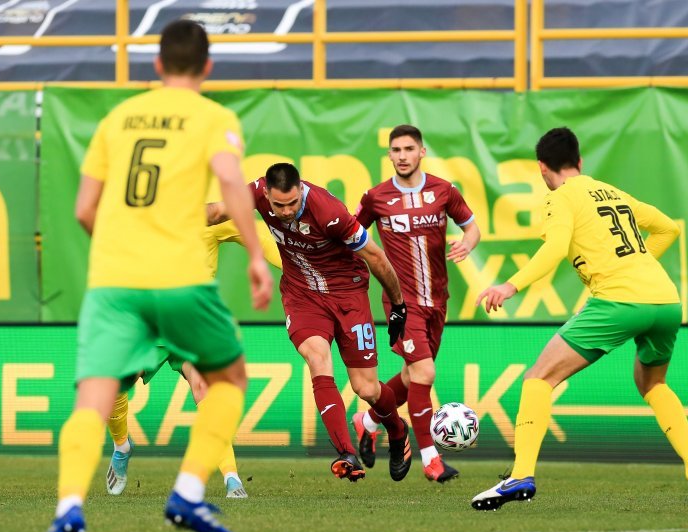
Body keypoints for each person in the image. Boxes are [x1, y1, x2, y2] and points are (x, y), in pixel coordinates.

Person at [32, 20, 273, 532]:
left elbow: (83, 210)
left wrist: (122, 253)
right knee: (229, 379)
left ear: (157, 64)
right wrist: (257, 257)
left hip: (114, 283)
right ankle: (189, 493)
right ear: (207, 66)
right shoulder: (214, 117)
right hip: (181, 278)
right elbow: (233, 185)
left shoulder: (117, 119)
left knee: (94, 397)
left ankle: (68, 507)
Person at [470, 127, 688, 515]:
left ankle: (521, 474)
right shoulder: (611, 191)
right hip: (666, 300)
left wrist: (510, 286)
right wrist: (639, 264)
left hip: (618, 300)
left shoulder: (560, 199)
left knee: (538, 378)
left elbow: (553, 249)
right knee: (653, 383)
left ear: (541, 169)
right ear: (580, 162)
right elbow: (668, 227)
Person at [208, 162, 412, 482]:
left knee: (366, 387)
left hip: (348, 295)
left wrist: (398, 304)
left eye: (292, 203)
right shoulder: (256, 194)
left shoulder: (329, 212)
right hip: (302, 295)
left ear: (301, 188)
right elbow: (217, 212)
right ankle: (346, 452)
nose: (286, 211)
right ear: (266, 195)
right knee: (317, 357)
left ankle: (398, 431)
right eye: (279, 205)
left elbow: (375, 256)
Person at [105, 221, 282, 499]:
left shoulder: (207, 218)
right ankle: (122, 446)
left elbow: (254, 231)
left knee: (206, 390)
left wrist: (293, 263)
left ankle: (232, 479)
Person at [352, 124, 480, 482]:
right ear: (389, 155)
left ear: (422, 152)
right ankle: (430, 459)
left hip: (438, 301)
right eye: (396, 150)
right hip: (401, 303)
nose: (402, 156)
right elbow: (350, 237)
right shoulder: (375, 198)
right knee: (424, 372)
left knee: (411, 378)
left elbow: (472, 228)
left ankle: (368, 420)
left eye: (409, 149)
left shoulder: (444, 191)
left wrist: (468, 243)